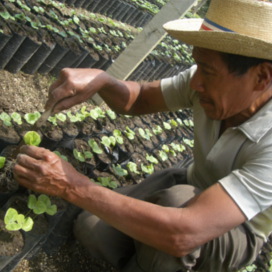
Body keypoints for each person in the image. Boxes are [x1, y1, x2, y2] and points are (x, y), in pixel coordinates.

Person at [13, 0, 272, 271]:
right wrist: (103, 81)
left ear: (262, 77)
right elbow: (140, 99)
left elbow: (185, 231)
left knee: (174, 216)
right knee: (93, 230)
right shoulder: (205, 84)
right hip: (191, 184)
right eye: (197, 66)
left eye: (207, 71)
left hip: (237, 230)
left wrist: (70, 184)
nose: (195, 83)